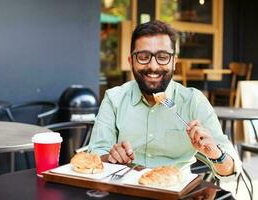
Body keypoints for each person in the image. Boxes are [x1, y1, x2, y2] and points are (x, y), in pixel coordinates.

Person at [88, 20, 241, 179]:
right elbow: (96, 154)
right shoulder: (114, 99)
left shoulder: (193, 101)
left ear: (174, 62)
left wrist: (216, 153)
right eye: (143, 57)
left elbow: (231, 171)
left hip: (176, 189)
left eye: (162, 57)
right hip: (125, 186)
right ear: (130, 61)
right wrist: (111, 157)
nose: (153, 66)